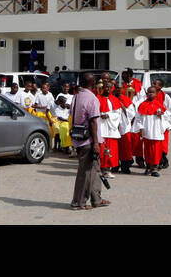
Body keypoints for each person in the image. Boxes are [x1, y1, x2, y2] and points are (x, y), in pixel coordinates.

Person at [70, 73, 109, 209]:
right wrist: (96, 143)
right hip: (89, 140)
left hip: (78, 137)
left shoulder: (77, 96)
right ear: (93, 83)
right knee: (85, 172)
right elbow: (93, 122)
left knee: (95, 169)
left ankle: (96, 199)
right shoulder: (92, 98)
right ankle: (79, 202)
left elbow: (72, 115)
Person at [136, 86, 167, 176]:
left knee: (156, 150)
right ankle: (148, 166)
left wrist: (160, 115)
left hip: (156, 130)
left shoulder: (159, 104)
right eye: (149, 92)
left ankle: (154, 168)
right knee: (147, 150)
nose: (150, 94)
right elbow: (139, 119)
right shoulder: (142, 105)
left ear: (156, 94)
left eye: (152, 92)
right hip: (147, 130)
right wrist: (141, 128)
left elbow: (165, 117)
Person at [152, 77, 171, 169]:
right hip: (152, 122)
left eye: (155, 84)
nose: (153, 85)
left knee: (162, 143)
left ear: (160, 87)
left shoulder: (165, 96)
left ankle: (163, 159)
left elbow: (170, 109)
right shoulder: (149, 95)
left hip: (163, 122)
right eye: (153, 83)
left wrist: (163, 115)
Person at [117, 83, 140, 174]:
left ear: (123, 89)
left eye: (120, 88)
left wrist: (124, 109)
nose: (118, 90)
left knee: (125, 148)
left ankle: (125, 166)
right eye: (117, 88)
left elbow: (132, 114)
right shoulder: (112, 99)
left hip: (124, 127)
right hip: (114, 126)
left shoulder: (126, 100)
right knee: (115, 148)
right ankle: (115, 166)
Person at [52, 84, 74, 153]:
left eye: (67, 87)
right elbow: (57, 104)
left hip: (67, 115)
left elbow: (73, 106)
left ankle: (65, 146)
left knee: (66, 130)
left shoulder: (71, 96)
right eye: (65, 87)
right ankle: (58, 146)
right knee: (59, 131)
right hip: (60, 115)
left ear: (69, 88)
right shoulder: (59, 95)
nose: (66, 88)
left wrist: (68, 106)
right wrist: (63, 105)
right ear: (62, 87)